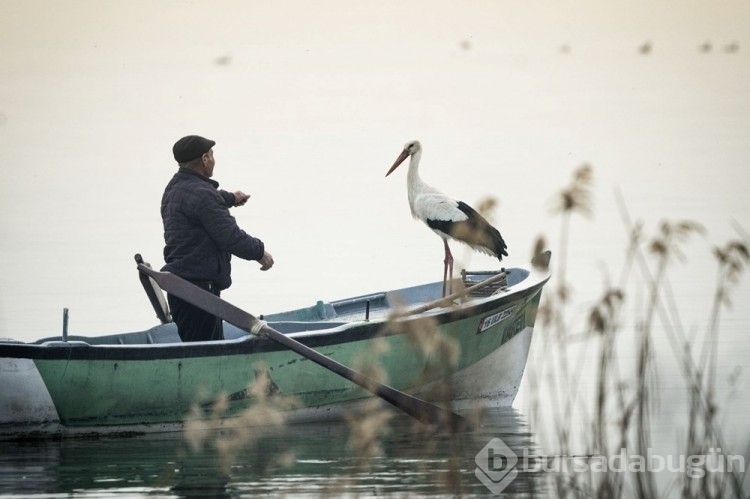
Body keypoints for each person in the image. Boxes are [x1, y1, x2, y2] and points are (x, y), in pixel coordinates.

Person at [161, 135, 274, 342]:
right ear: (205, 159)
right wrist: (260, 252)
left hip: (181, 287)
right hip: (199, 292)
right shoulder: (203, 195)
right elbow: (230, 238)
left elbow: (201, 200)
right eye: (212, 155)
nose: (213, 159)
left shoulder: (174, 188)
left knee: (196, 347)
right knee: (204, 352)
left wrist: (231, 197)